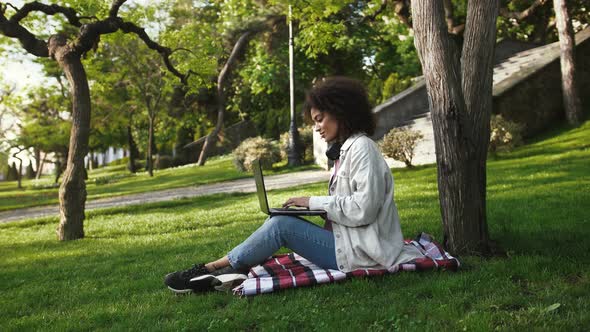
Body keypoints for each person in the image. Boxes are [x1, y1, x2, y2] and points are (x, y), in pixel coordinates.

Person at [164, 76, 420, 293]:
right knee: (280, 221)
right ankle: (229, 270)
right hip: (351, 242)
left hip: (364, 252)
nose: (317, 128)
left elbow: (364, 209)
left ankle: (211, 268)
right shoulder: (347, 150)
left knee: (281, 225)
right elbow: (350, 205)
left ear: (341, 111)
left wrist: (312, 202)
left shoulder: (362, 149)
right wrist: (309, 208)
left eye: (320, 119)